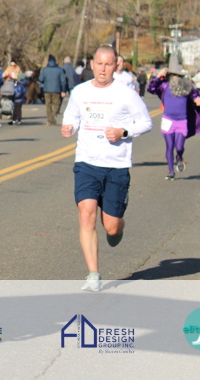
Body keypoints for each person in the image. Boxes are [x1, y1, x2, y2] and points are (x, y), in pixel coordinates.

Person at [60, 45, 153, 292]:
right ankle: (93, 275)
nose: (102, 69)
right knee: (86, 214)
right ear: (92, 65)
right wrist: (69, 127)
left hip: (116, 165)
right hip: (87, 163)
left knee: (111, 226)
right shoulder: (80, 92)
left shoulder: (126, 94)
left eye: (108, 64)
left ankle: (118, 226)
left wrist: (123, 131)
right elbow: (72, 117)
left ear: (115, 66)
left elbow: (146, 123)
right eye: (99, 64)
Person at [147, 68, 200, 180]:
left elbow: (195, 95)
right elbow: (150, 88)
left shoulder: (187, 87)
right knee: (169, 146)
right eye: (173, 75)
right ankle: (171, 172)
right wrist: (158, 76)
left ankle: (179, 157)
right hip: (168, 120)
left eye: (178, 76)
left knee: (179, 147)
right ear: (169, 76)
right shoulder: (164, 86)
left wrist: (198, 99)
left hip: (182, 121)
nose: (175, 78)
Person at [38, 54, 68, 125]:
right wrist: (63, 90)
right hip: (56, 90)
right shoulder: (59, 69)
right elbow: (63, 81)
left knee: (48, 105)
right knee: (57, 104)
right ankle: (54, 114)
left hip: (47, 89)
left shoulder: (45, 69)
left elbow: (40, 79)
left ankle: (50, 120)